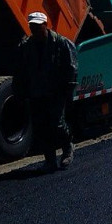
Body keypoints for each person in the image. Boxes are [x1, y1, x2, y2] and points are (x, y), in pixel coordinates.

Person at [13, 11, 78, 171]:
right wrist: (19, 90)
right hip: (36, 92)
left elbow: (71, 67)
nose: (34, 29)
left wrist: (68, 90)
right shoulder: (26, 46)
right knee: (41, 127)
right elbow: (20, 70)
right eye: (32, 26)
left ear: (45, 25)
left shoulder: (61, 43)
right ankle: (50, 160)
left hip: (56, 92)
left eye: (37, 26)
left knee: (57, 124)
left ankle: (67, 146)